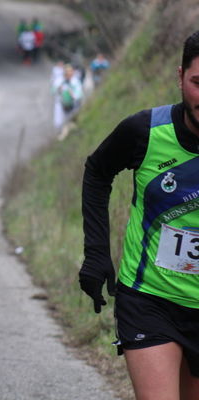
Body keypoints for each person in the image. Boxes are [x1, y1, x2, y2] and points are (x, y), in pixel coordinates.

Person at [79, 30, 199, 400]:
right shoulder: (146, 131)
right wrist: (98, 252)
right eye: (198, 83)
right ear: (180, 77)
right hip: (150, 300)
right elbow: (97, 172)